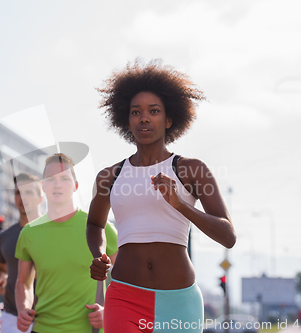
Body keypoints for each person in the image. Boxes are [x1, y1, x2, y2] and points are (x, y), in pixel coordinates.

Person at [87, 59, 237, 332]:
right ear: (127, 120)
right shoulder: (109, 176)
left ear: (169, 119)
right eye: (136, 112)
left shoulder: (192, 170)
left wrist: (180, 205)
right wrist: (99, 255)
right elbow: (95, 224)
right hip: (124, 297)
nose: (144, 117)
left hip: (179, 301)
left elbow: (228, 235)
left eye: (153, 111)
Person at [15, 153, 118, 333]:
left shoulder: (99, 227)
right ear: (43, 186)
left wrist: (110, 311)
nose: (57, 184)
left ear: (75, 186)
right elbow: (23, 282)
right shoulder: (29, 233)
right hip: (43, 329)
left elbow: (126, 278)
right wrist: (23, 308)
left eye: (64, 178)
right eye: (51, 179)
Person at [0, 172, 43, 333]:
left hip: (48, 316)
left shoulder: (53, 232)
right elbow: (0, 267)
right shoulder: (4, 237)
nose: (22, 197)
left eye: (28, 192)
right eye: (18, 192)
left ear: (40, 198)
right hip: (12, 317)